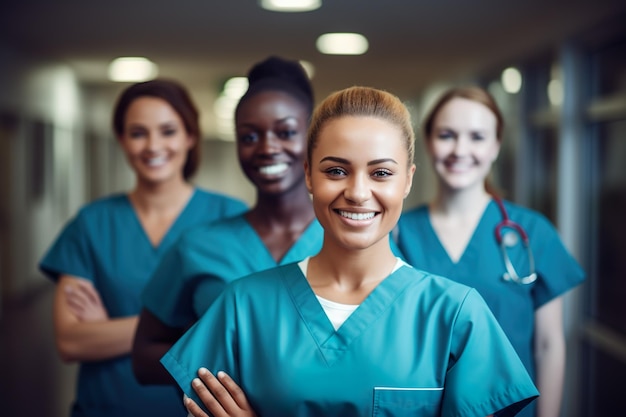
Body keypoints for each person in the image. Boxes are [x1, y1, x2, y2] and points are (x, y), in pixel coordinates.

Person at [162, 86, 539, 417]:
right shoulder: (242, 306)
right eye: (337, 171)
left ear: (407, 180)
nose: (358, 193)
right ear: (308, 175)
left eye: (381, 173)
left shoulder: (455, 315)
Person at [38, 79, 247, 417]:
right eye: (138, 133)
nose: (153, 145)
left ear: (190, 136)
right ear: (121, 139)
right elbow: (71, 341)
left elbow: (247, 335)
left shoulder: (232, 217)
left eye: (168, 131)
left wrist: (110, 331)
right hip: (107, 407)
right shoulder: (91, 224)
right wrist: (195, 326)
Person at [395, 86, 585, 417]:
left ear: (496, 145)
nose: (460, 149)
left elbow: (549, 344)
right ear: (427, 143)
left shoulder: (532, 232)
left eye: (477, 137)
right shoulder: (397, 232)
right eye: (446, 135)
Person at [132, 56, 323, 385]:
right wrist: (219, 369)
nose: (267, 147)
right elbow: (144, 356)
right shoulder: (198, 246)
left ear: (312, 138)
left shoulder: (354, 240)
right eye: (249, 137)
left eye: (286, 132)